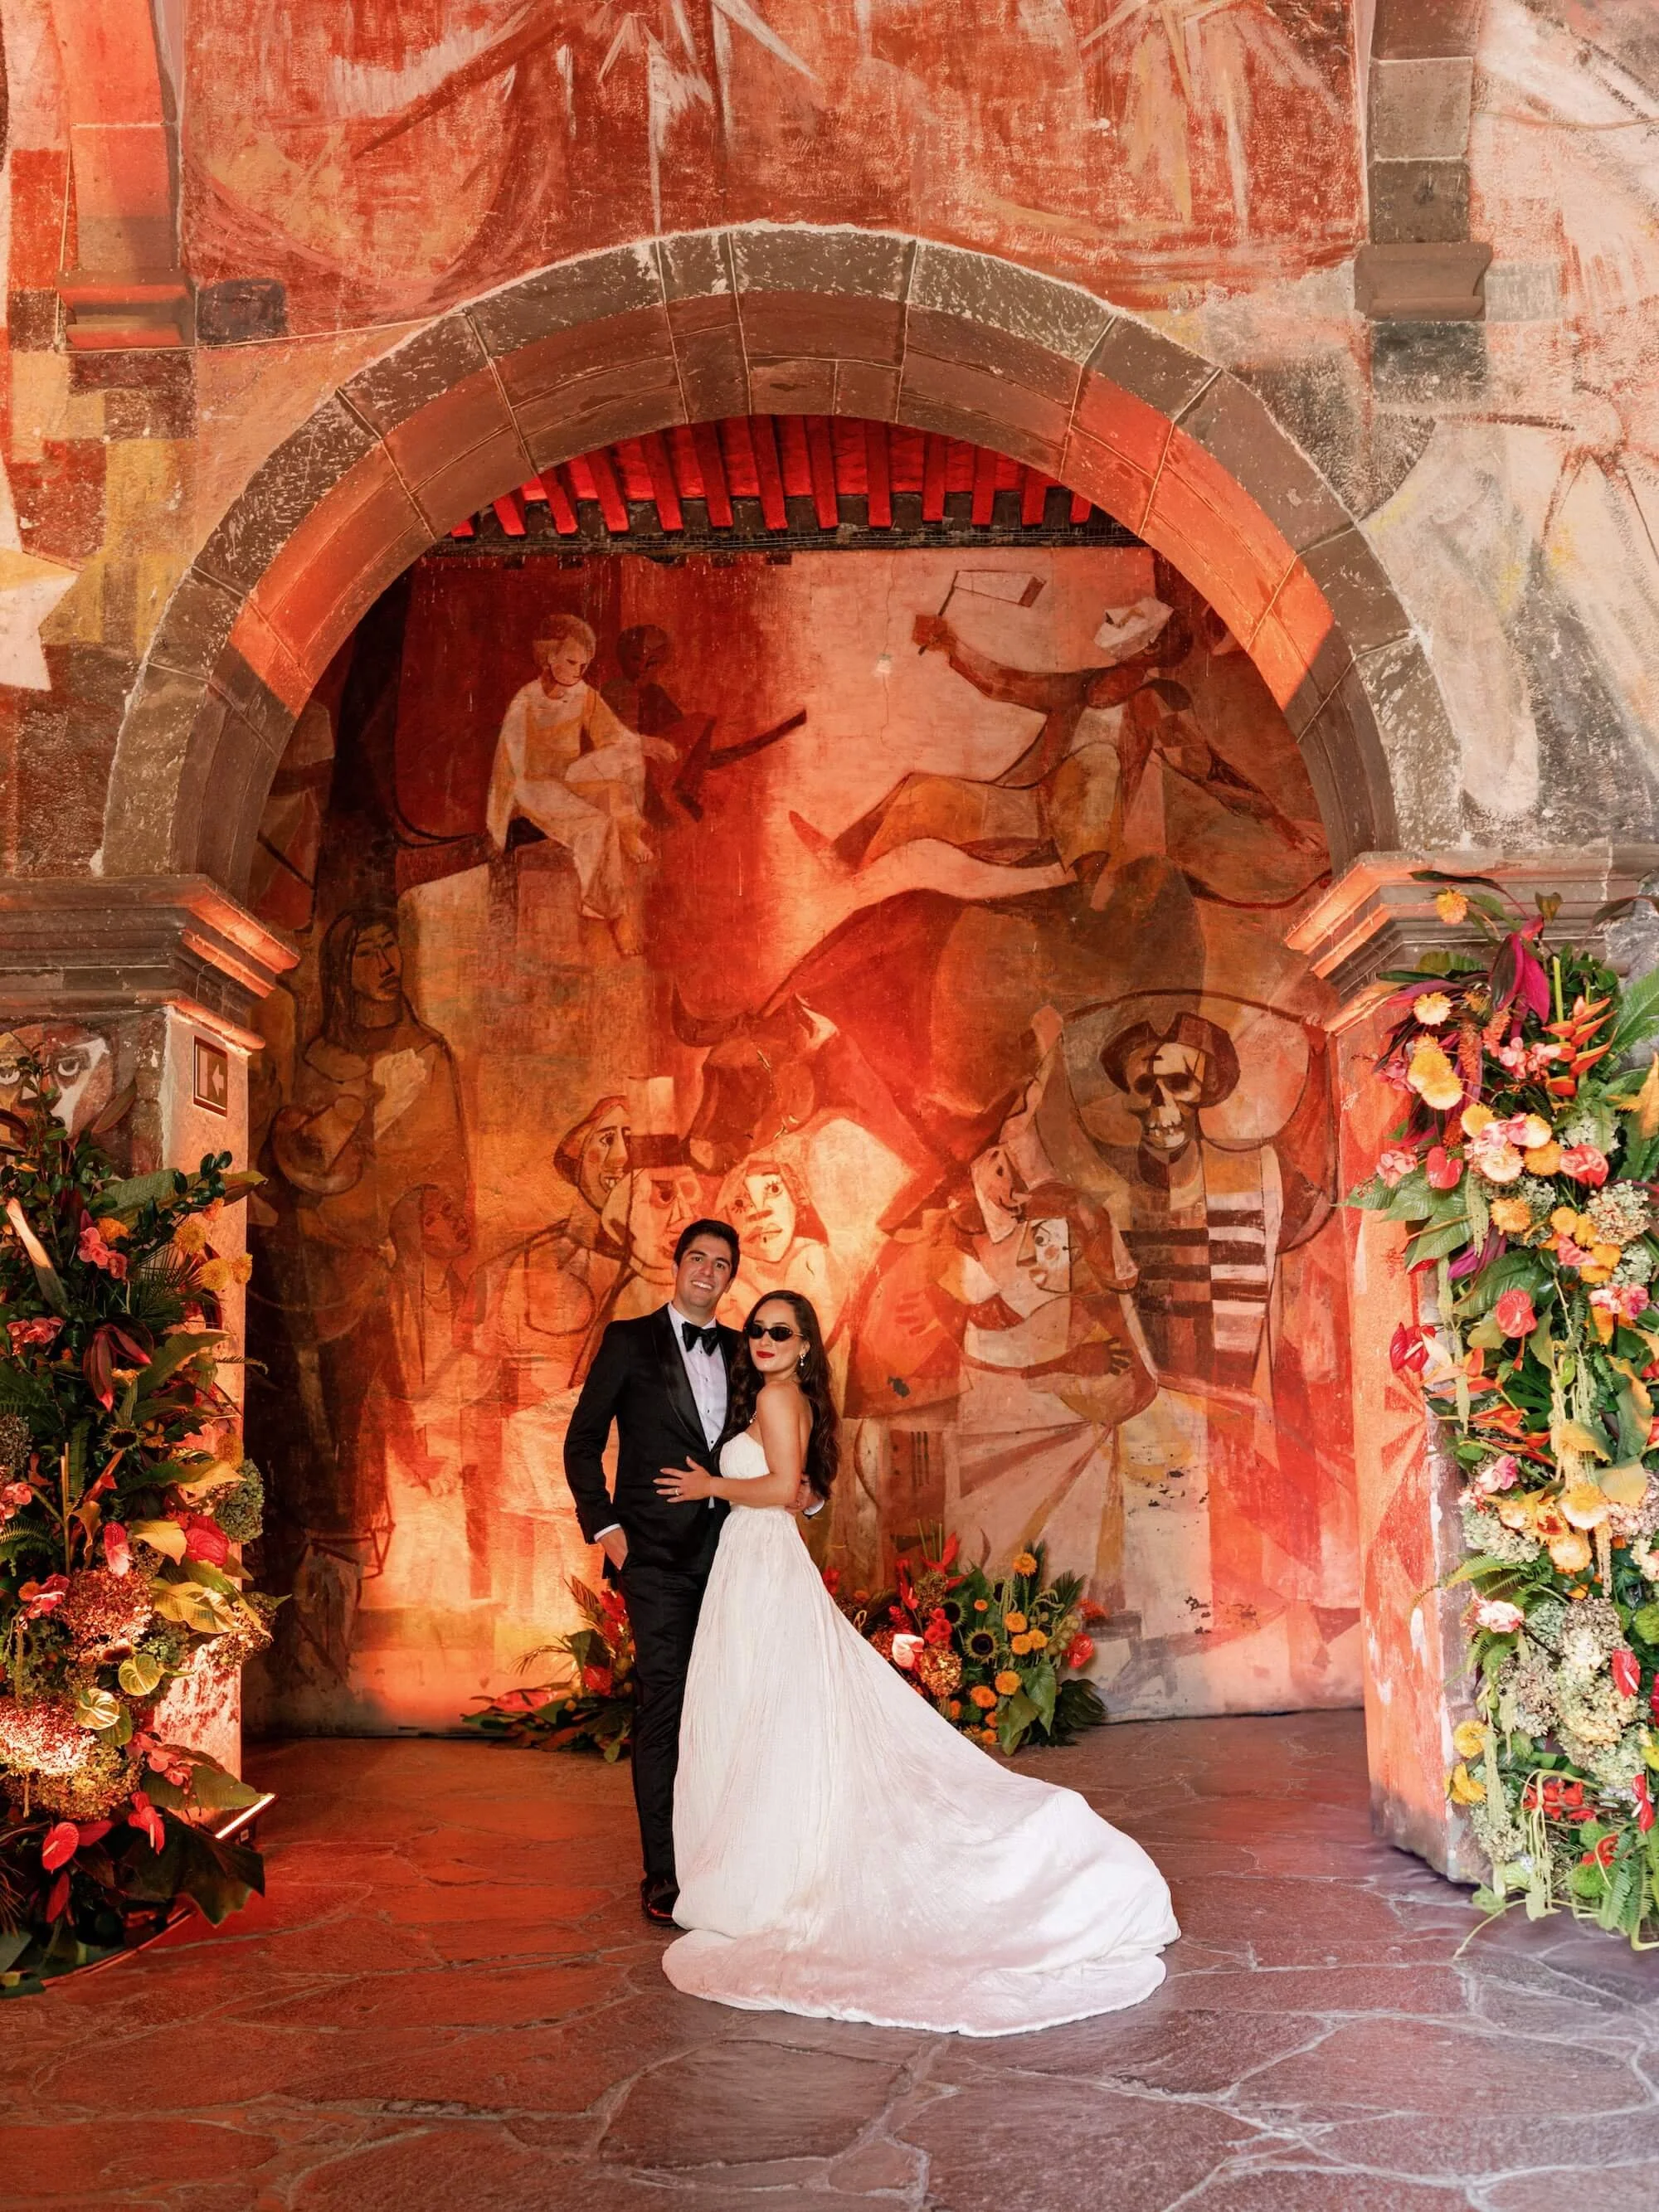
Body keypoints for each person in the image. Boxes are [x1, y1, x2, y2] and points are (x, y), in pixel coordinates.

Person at [653, 1288, 1179, 2035]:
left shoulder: (777, 1397)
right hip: (759, 1562)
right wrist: (775, 1492)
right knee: (766, 1707)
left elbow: (776, 1489)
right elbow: (802, 1489)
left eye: (781, 1330)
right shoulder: (783, 1397)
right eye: (758, 1330)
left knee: (761, 1704)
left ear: (805, 1346)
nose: (765, 1340)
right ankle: (764, 1853)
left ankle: (763, 1873)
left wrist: (709, 1484)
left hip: (759, 1562)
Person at [562, 1218, 821, 1923]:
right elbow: (582, 1443)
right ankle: (665, 1874)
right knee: (665, 1708)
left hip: (739, 1560)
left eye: (722, 1263)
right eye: (697, 1258)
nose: (708, 1270)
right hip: (655, 1561)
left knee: (736, 1707)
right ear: (675, 1264)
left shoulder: (752, 1349)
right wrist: (609, 1532)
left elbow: (795, 1452)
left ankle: (733, 1852)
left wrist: (811, 1495)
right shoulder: (626, 1341)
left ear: (732, 1276)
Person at [485, 614, 678, 957]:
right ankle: (613, 913)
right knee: (596, 825)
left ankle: (627, 829)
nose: (579, 670)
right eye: (572, 662)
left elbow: (612, 735)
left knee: (625, 760)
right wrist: (498, 825)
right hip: (534, 787)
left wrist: (650, 744)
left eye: (584, 664)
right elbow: (506, 767)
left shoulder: (583, 695)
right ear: (549, 657)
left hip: (569, 776)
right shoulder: (526, 701)